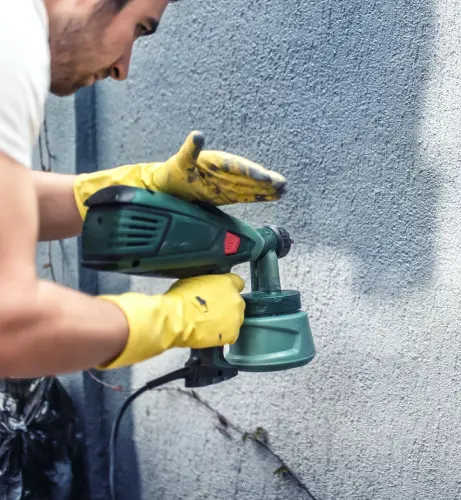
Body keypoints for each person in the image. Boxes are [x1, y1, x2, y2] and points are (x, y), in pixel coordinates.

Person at [0, 0, 287, 377]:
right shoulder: (14, 43)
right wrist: (173, 320)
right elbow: (12, 328)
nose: (123, 68)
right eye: (139, 27)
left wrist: (134, 186)